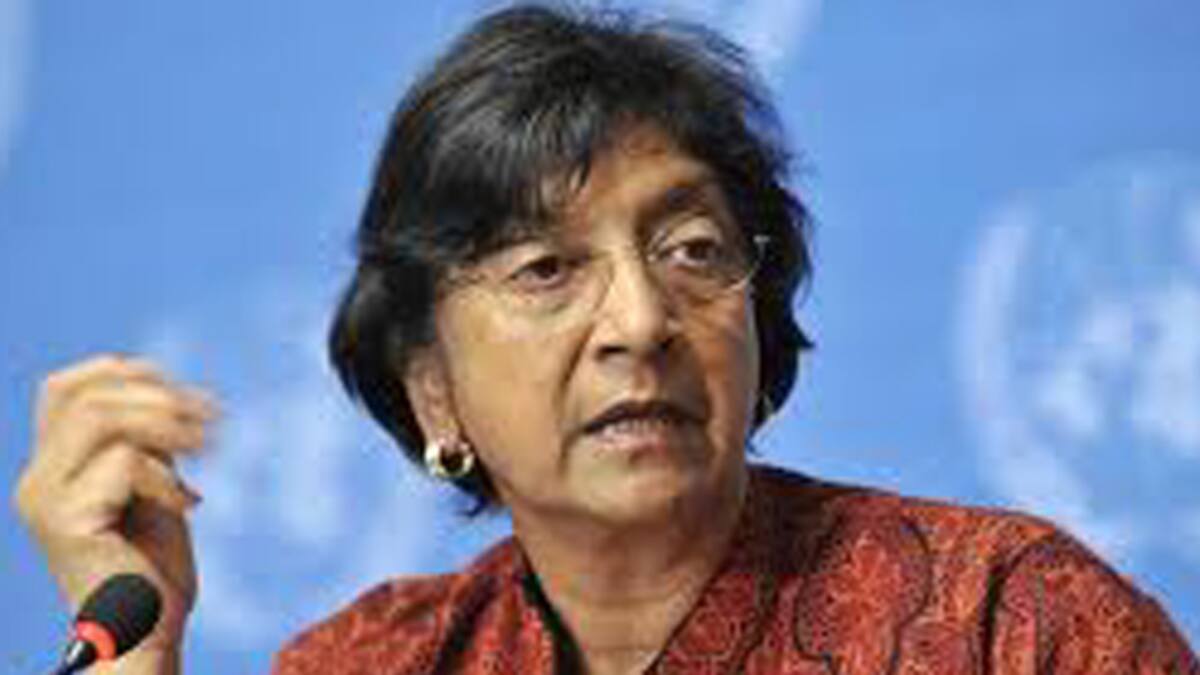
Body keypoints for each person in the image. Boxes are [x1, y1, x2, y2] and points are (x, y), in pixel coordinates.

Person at [14, 3, 1198, 674]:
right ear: (434, 393)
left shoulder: (1015, 623)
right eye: (545, 270)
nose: (639, 321)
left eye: (692, 250)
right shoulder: (370, 663)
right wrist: (137, 652)